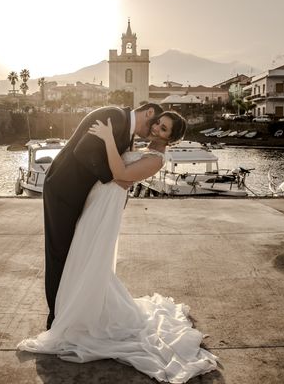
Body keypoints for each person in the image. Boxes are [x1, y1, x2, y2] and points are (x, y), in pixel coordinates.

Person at [18, 111, 218, 383]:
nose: (157, 129)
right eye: (158, 124)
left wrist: (107, 139)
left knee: (89, 255)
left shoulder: (156, 159)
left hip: (105, 205)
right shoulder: (145, 148)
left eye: (164, 129)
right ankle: (72, 307)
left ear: (171, 139)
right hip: (99, 199)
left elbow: (121, 173)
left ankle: (78, 311)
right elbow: (119, 176)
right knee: (83, 254)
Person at [42, 102, 163, 331]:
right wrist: (116, 178)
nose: (154, 130)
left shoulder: (126, 131)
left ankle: (69, 309)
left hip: (81, 195)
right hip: (63, 189)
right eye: (155, 124)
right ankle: (55, 318)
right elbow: (84, 151)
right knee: (59, 253)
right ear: (148, 112)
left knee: (76, 252)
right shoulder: (113, 116)